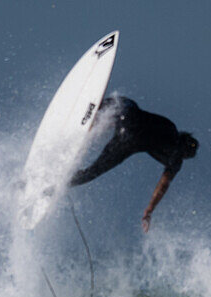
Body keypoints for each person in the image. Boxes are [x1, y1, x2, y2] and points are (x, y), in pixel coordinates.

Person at [69, 96, 199, 233]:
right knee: (92, 172)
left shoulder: (170, 127)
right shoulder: (175, 161)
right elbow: (163, 185)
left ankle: (98, 112)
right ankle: (62, 183)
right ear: (185, 154)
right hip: (127, 141)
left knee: (124, 103)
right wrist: (149, 210)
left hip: (127, 117)